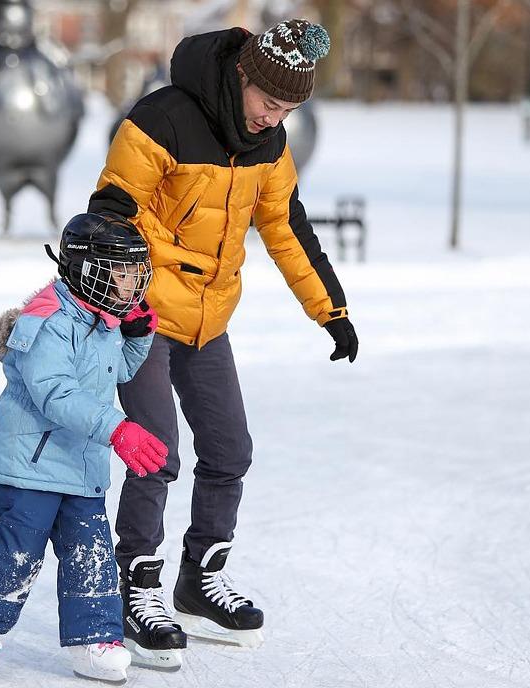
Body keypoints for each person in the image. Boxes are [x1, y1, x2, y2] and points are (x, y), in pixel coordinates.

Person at [87, 19, 360, 665]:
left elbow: (287, 229)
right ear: (243, 74)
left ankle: (197, 580)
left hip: (208, 321)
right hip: (143, 318)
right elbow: (110, 211)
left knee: (230, 450)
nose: (275, 117)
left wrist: (332, 311)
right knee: (156, 452)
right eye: (270, 101)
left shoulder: (270, 145)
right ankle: (137, 587)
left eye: (290, 108)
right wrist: (121, 303)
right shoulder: (162, 118)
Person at [0, 213, 170, 684]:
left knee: (92, 552)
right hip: (32, 465)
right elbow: (54, 392)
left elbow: (119, 373)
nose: (131, 284)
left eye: (135, 274)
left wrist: (137, 334)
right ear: (87, 269)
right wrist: (117, 429)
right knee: (17, 549)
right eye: (121, 273)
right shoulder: (48, 319)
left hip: (81, 465)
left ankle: (94, 639)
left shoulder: (102, 316)